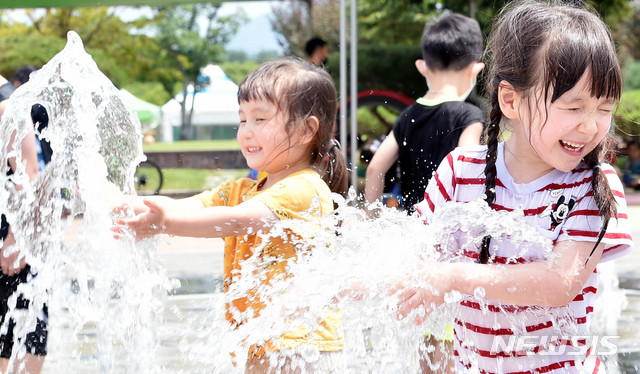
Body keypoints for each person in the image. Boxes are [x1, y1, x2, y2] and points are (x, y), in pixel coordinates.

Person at [392, 1, 633, 373]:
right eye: (573, 107)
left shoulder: (592, 184)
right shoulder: (460, 171)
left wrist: (455, 277)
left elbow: (558, 283)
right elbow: (411, 252)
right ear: (510, 100)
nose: (591, 127)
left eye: (604, 108)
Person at [115, 57, 348, 372]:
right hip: (261, 344)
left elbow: (236, 219)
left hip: (304, 350)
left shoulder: (305, 190)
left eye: (260, 119)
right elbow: (187, 206)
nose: (246, 132)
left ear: (306, 130)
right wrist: (123, 204)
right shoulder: (244, 189)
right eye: (242, 120)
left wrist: (165, 224)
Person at [364, 13, 485, 214]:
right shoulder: (469, 117)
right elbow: (468, 173)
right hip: (447, 235)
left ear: (422, 67)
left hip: (413, 230)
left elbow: (374, 169)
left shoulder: (407, 116)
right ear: (475, 69)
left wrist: (371, 219)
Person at [0, 67, 46, 374]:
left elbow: (29, 173)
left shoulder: (7, 105)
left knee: (21, 324)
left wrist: (17, 236)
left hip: (12, 229)